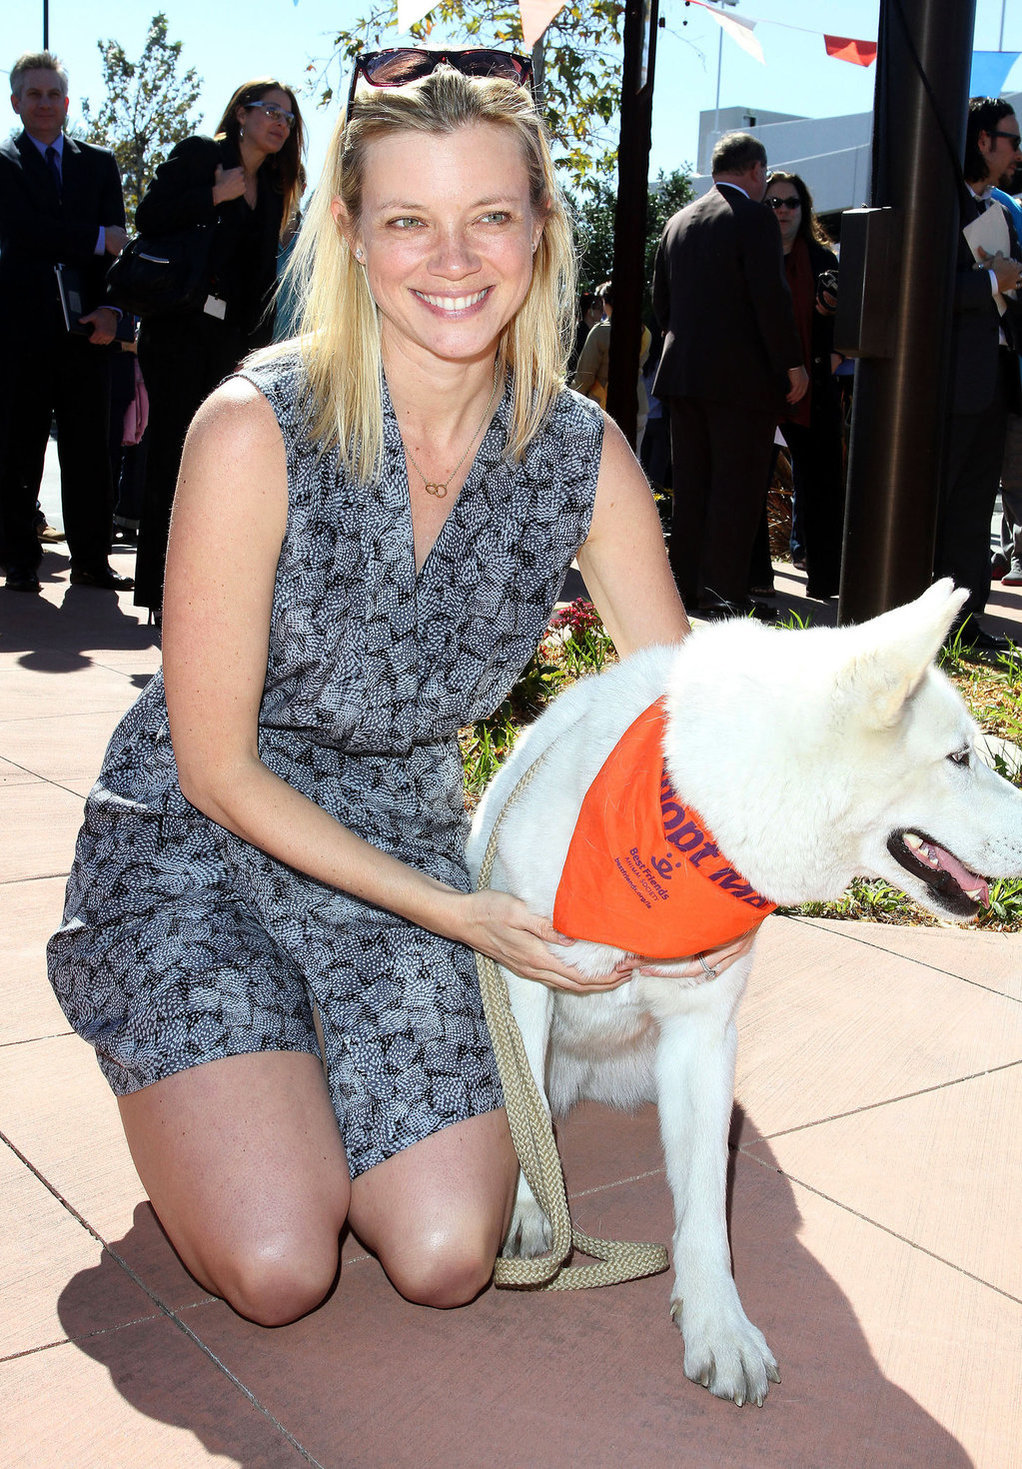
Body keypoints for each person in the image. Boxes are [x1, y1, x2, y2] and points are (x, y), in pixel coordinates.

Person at [47, 52, 757, 1327]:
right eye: (408, 221)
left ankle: (293, 1062)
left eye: (489, 215)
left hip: (400, 838)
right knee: (281, 1265)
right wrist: (461, 913)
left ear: (539, 229)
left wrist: (722, 868)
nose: (453, 259)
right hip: (203, 842)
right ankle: (205, 1052)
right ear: (349, 232)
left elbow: (678, 717)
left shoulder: (581, 453)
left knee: (445, 1254)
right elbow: (216, 768)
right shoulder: (252, 426)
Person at [131, 79, 306, 618]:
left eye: (288, 117)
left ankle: (202, 587)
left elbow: (260, 282)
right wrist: (212, 196)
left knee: (216, 460)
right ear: (241, 114)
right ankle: (158, 591)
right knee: (172, 452)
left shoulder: (273, 187)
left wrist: (257, 356)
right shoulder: (201, 156)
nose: (280, 123)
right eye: (270, 111)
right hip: (177, 330)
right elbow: (148, 217)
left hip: (228, 340)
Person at [652, 133, 807, 621]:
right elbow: (770, 297)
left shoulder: (678, 222)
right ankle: (722, 594)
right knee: (735, 489)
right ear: (756, 170)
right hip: (741, 381)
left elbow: (661, 303)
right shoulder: (754, 218)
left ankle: (685, 589)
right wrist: (792, 362)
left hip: (682, 375)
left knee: (692, 487)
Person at [0, 51, 131, 594]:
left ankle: (92, 561)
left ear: (67, 102)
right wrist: (95, 237)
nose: (45, 103)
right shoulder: (4, 163)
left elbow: (120, 249)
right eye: (34, 94)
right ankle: (18, 559)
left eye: (53, 94)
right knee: (18, 449)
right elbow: (23, 232)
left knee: (90, 452)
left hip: (88, 331)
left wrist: (113, 312)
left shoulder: (98, 164)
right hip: (22, 333)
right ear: (15, 102)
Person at [934, 96, 1022, 654]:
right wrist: (994, 281)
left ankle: (966, 625)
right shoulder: (940, 204)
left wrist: (1012, 279)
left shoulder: (1002, 211)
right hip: (951, 386)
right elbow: (929, 288)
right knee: (943, 507)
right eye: (1013, 140)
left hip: (995, 382)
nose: (1019, 153)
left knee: (973, 511)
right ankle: (929, 626)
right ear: (983, 140)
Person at [761, 171, 845, 601]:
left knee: (823, 484)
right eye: (773, 202)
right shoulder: (752, 254)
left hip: (816, 387)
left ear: (804, 208)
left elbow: (851, 319)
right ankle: (755, 579)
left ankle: (825, 580)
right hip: (760, 388)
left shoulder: (823, 259)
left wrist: (834, 357)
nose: (782, 210)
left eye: (790, 202)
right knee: (750, 482)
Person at [571, 280, 652, 447]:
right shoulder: (645, 332)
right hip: (638, 402)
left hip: (605, 405)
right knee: (635, 457)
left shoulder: (601, 332)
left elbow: (585, 377)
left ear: (605, 302)